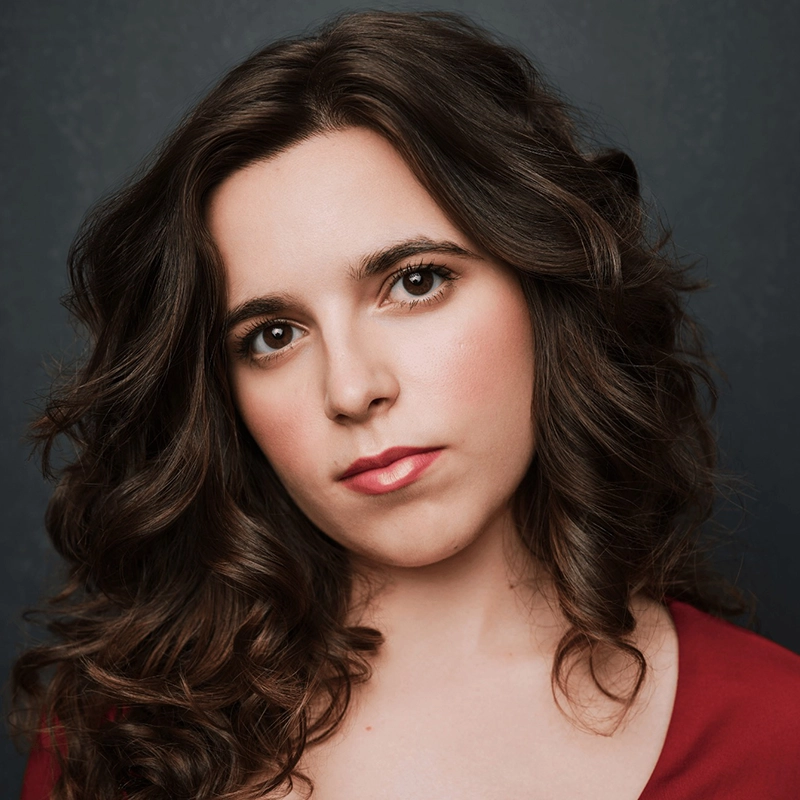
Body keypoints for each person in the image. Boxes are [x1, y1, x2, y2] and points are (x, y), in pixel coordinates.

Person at [11, 9, 800, 800]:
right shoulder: (116, 745)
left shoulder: (773, 737)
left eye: (415, 282)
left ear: (544, 286)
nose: (352, 390)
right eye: (274, 335)